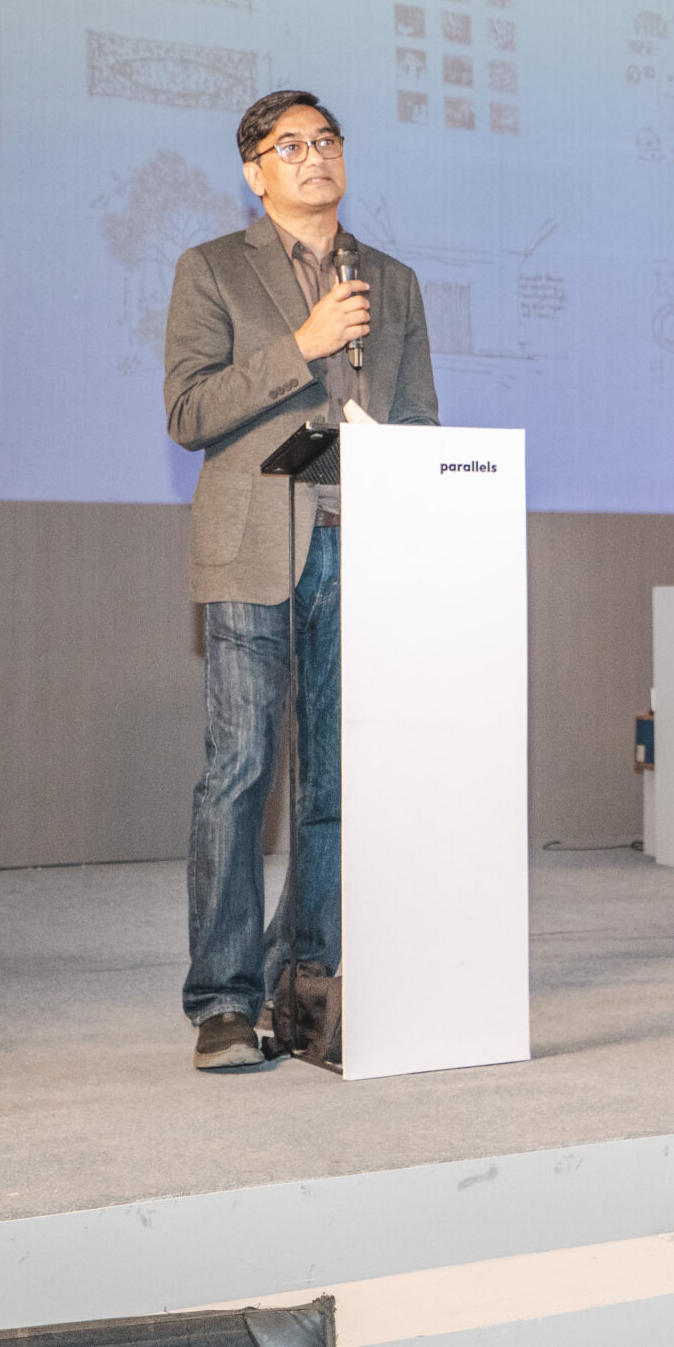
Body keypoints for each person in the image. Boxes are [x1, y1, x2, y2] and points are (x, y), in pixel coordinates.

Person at [164, 89, 438, 1070]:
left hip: (360, 545)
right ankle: (223, 1002)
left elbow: (418, 419)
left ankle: (308, 983)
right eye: (291, 145)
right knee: (240, 772)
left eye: (327, 139)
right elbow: (190, 412)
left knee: (337, 777)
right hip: (253, 545)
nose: (315, 155)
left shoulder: (392, 280)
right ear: (255, 172)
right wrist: (304, 346)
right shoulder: (211, 269)